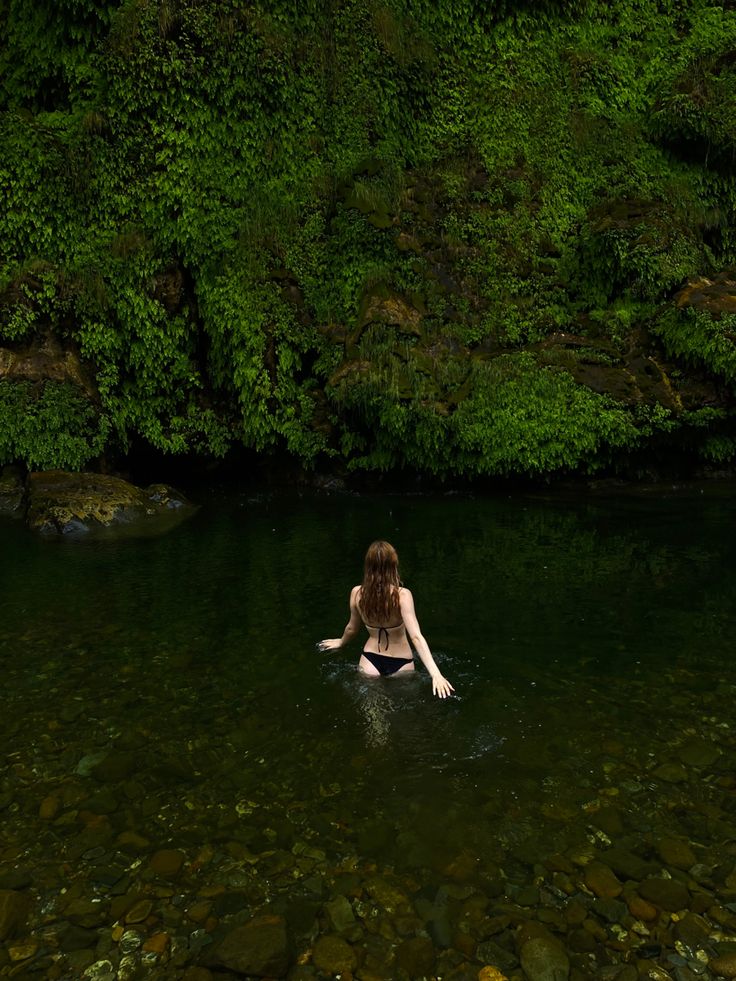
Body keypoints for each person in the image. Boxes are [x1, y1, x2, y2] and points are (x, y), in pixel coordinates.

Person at [318, 540, 455, 699]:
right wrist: (436, 675)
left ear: (368, 566)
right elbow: (416, 637)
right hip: (400, 662)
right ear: (393, 565)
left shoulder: (357, 593)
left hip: (370, 660)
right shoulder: (402, 595)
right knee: (403, 711)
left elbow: (351, 628)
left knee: (373, 713)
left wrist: (341, 642)